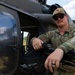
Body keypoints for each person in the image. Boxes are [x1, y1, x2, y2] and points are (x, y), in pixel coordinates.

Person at [31, 8, 75, 75]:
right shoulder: (51, 34)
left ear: (66, 17)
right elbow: (38, 39)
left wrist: (61, 49)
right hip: (57, 71)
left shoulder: (73, 30)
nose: (59, 19)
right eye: (56, 18)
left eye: (61, 16)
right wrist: (34, 40)